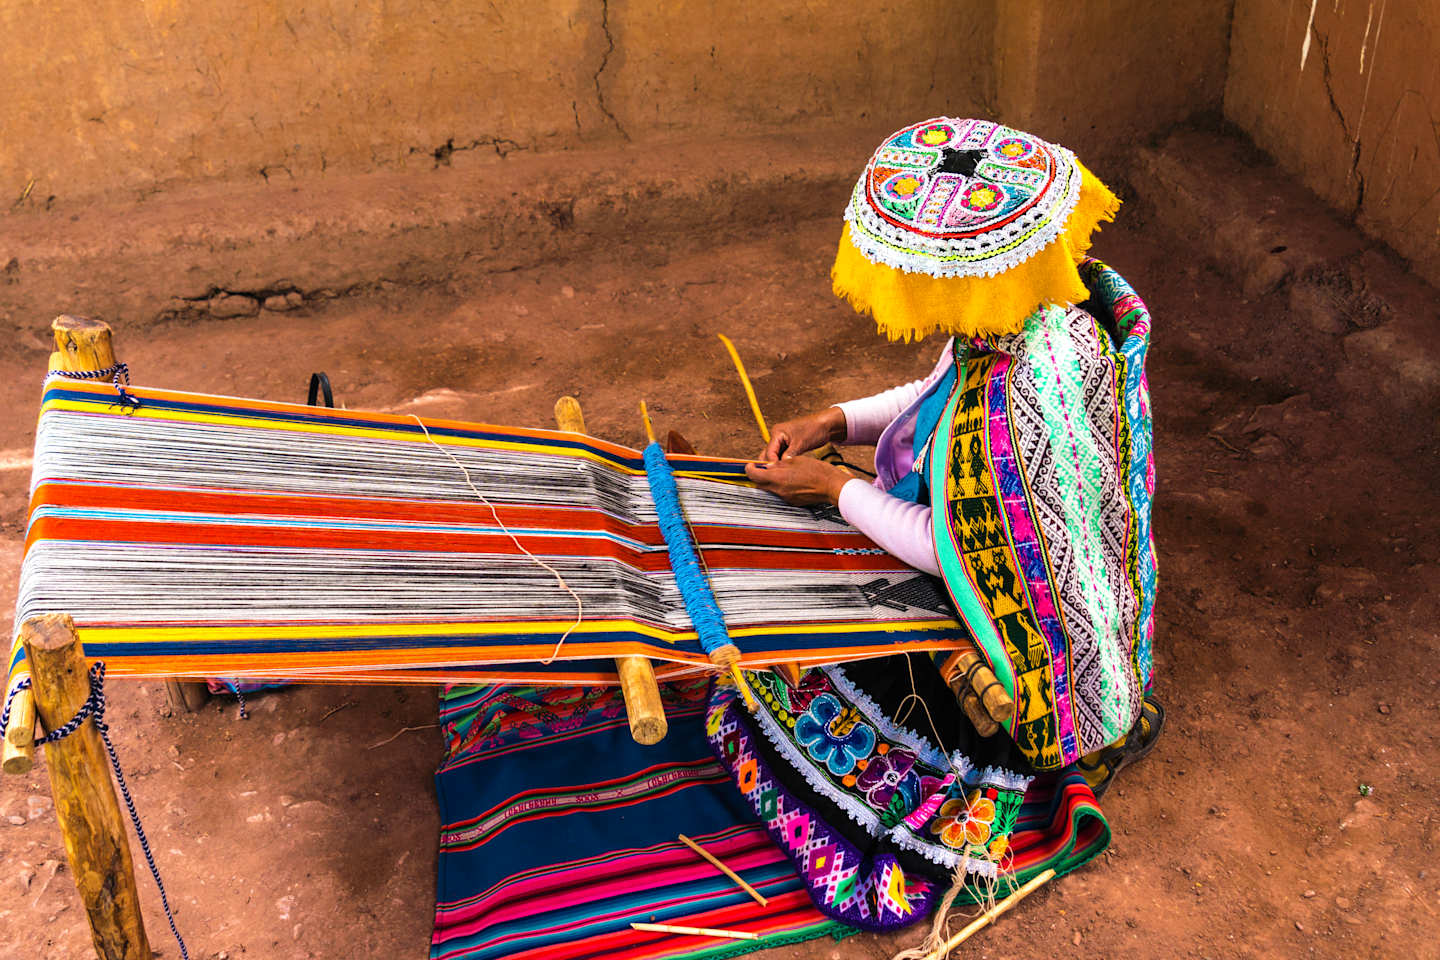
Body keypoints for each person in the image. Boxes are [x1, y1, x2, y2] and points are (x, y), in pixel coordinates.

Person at [706, 117, 1161, 934]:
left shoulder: (1025, 400)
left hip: (1018, 639)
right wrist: (831, 421)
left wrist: (834, 493)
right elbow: (935, 391)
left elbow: (957, 550)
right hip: (1006, 567)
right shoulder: (1035, 303)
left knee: (782, 700)